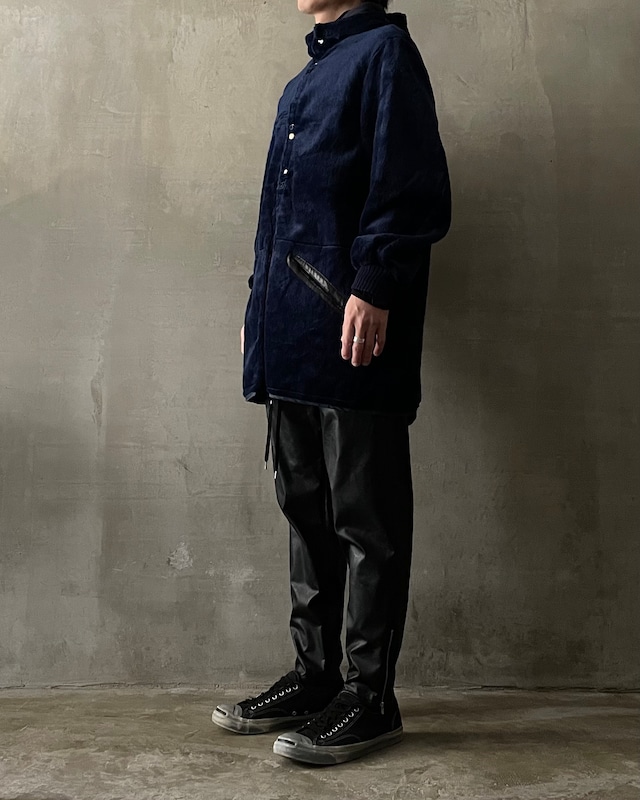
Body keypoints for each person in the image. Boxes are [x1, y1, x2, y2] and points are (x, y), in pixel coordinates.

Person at [212, 0, 451, 765]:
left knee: (364, 518)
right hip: (291, 334)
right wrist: (259, 310)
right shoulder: (303, 81)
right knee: (305, 508)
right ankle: (314, 677)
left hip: (352, 331)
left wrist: (376, 280)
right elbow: (279, 219)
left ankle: (369, 697)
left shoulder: (384, 54)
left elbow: (408, 182)